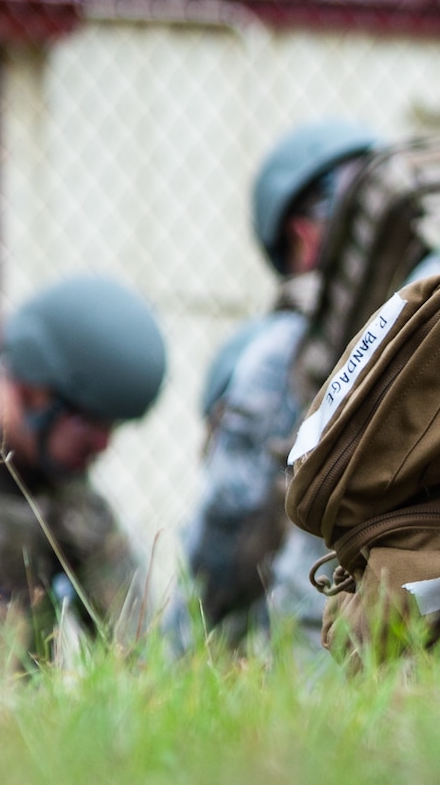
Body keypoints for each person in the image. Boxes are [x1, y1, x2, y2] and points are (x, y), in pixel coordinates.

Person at [178, 119, 379, 642]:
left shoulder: (281, 349)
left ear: (302, 236)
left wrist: (177, 651)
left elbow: (231, 517)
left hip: (338, 638)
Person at [0, 275, 166, 654]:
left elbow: (140, 653)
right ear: (31, 386)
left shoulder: (73, 505)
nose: (103, 444)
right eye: (87, 420)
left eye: (112, 426)